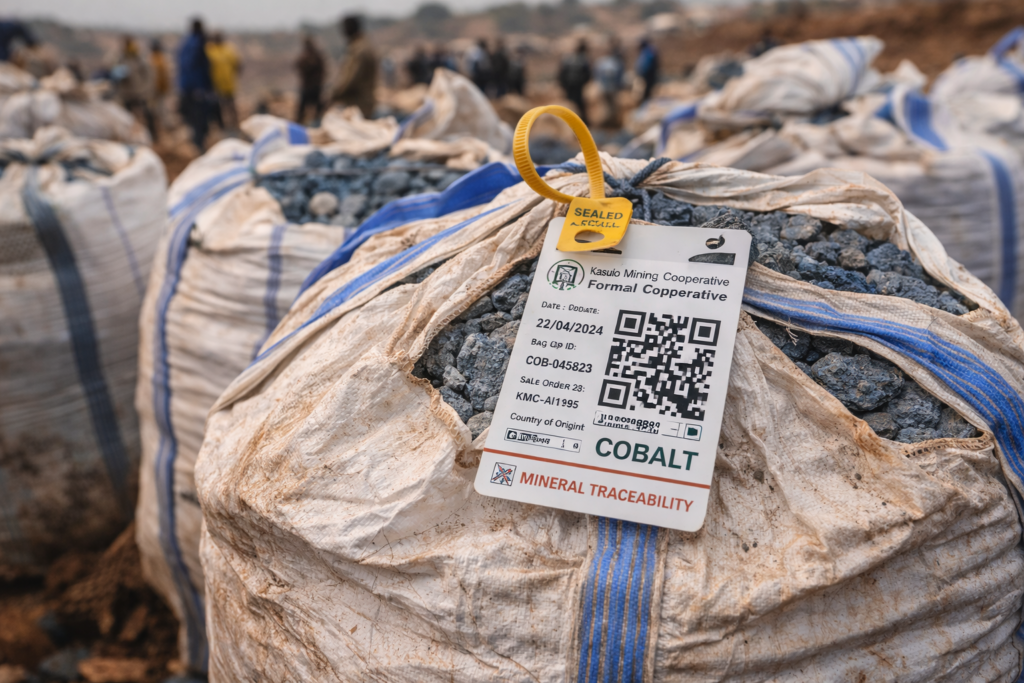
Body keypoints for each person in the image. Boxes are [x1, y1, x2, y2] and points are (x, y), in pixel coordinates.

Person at [330, 15, 378, 119]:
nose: (343, 31)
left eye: (345, 28)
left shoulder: (359, 51)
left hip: (359, 104)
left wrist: (334, 94)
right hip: (361, 103)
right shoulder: (361, 47)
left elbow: (350, 79)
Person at [177, 18, 214, 150]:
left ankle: (196, 142)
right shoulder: (198, 44)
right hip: (197, 88)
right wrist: (206, 87)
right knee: (200, 117)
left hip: (185, 87)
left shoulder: (185, 42)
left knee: (192, 117)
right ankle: (199, 144)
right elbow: (201, 67)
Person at [112, 35, 155, 140]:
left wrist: (145, 89)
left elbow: (148, 74)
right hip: (126, 93)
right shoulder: (121, 58)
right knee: (127, 117)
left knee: (146, 113)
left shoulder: (138, 58)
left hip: (138, 92)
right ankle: (129, 136)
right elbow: (114, 72)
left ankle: (153, 135)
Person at [206, 32, 241, 131]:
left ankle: (234, 125)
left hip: (227, 84)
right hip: (217, 85)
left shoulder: (227, 50)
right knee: (219, 107)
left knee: (230, 107)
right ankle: (222, 127)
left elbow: (237, 65)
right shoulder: (210, 50)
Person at [558, 39, 591, 125]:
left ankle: (569, 121)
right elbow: (588, 75)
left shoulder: (567, 59)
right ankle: (581, 123)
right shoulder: (584, 60)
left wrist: (563, 85)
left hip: (569, 85)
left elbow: (561, 73)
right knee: (579, 103)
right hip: (578, 86)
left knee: (569, 103)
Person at [294, 35, 325, 124]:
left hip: (313, 87)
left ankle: (317, 122)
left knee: (317, 109)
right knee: (302, 110)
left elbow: (322, 70)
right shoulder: (307, 56)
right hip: (309, 87)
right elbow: (298, 66)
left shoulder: (314, 56)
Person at [595, 38, 625, 128]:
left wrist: (599, 85)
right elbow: (620, 76)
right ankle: (612, 122)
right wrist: (619, 86)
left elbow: (597, 75)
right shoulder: (616, 62)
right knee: (613, 104)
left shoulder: (601, 62)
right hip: (613, 87)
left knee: (607, 104)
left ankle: (609, 121)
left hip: (604, 87)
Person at [150, 39, 171, 139]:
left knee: (156, 109)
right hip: (157, 89)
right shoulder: (161, 59)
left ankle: (159, 129)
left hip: (155, 90)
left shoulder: (151, 59)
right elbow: (165, 76)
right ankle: (160, 128)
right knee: (160, 109)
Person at [635, 38, 659, 103]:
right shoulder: (645, 51)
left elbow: (647, 65)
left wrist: (641, 74)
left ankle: (645, 104)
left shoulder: (648, 52)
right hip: (646, 76)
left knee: (646, 92)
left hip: (647, 76)